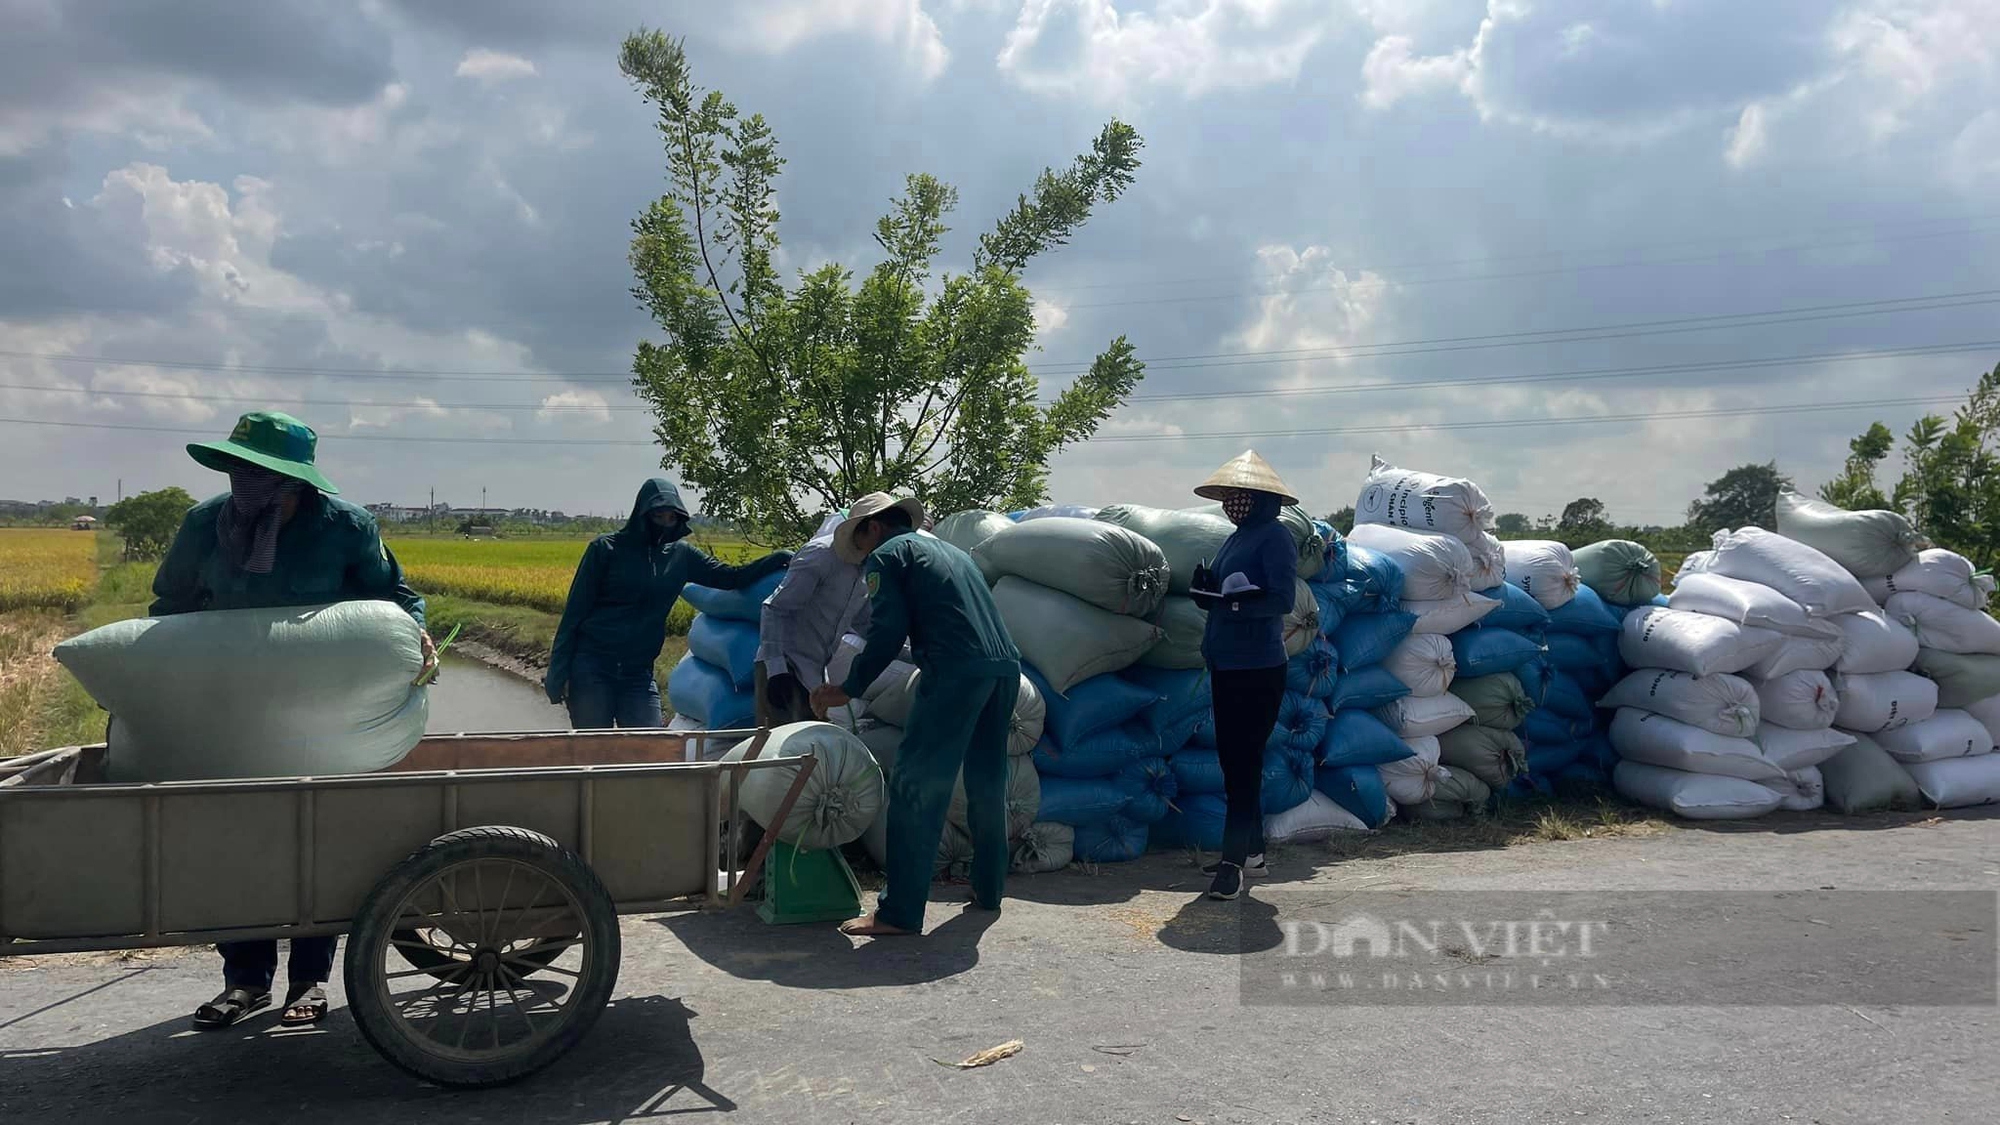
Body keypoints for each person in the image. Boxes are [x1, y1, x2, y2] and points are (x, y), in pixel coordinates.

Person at [149, 410, 434, 1030]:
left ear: (297, 482)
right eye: (241, 470)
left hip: (323, 709)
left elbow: (394, 595)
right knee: (239, 843)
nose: (249, 485)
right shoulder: (204, 526)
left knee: (320, 839)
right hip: (231, 711)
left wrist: (420, 633)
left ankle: (309, 979)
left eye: (265, 474)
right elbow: (170, 603)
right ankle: (245, 980)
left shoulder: (346, 527)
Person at [810, 494, 1019, 937]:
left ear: (871, 528)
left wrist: (847, 687)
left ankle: (898, 912)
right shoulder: (949, 551)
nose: (863, 553)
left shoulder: (888, 555)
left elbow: (887, 632)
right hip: (1003, 669)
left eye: (861, 541)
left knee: (915, 785)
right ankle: (988, 890)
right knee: (987, 780)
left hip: (955, 672)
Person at [546, 478, 791, 729]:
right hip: (592, 669)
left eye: (670, 517)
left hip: (637, 674)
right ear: (642, 514)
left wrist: (776, 559)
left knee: (650, 750)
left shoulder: (680, 556)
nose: (664, 523)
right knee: (594, 752)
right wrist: (557, 676)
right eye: (657, 516)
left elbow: (730, 577)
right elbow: (574, 615)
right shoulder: (605, 550)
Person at [1187, 450, 1301, 902]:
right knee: (1233, 762)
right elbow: (1223, 595)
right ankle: (1253, 853)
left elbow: (1282, 600)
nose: (1233, 501)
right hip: (1227, 663)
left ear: (1260, 498)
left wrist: (1231, 604)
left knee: (1243, 762)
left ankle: (1233, 864)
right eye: (1230, 495)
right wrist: (1206, 592)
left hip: (1257, 668)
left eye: (1241, 495)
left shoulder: (1275, 537)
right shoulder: (1236, 538)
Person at [755, 497, 885, 725]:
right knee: (783, 753)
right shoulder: (821, 555)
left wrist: (913, 653)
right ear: (873, 529)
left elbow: (867, 625)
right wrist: (776, 671)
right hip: (786, 668)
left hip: (814, 674)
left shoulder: (866, 570)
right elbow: (775, 608)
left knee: (813, 750)